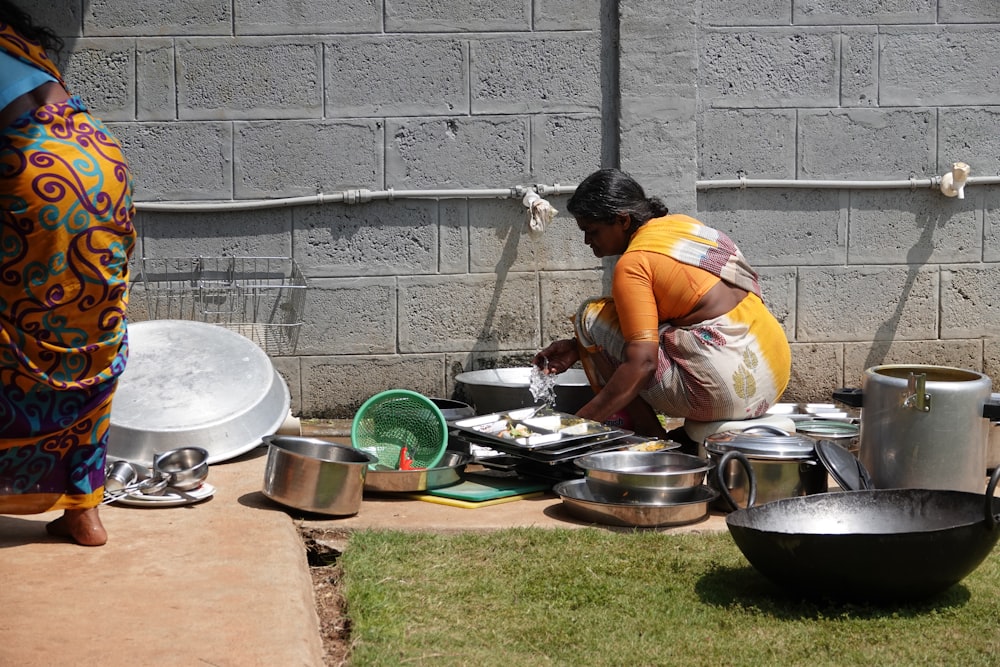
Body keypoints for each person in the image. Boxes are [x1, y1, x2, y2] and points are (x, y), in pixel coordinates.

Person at [0, 3, 136, 546]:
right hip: (98, 164)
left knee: (13, 336)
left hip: (31, 170)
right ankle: (83, 512)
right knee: (85, 328)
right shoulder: (20, 49)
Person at [533, 168, 790, 446]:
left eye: (592, 231)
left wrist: (575, 428)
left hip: (724, 392)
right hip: (773, 378)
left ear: (622, 220)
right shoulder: (683, 227)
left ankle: (653, 439)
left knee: (590, 317)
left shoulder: (634, 263)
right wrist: (578, 347)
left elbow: (642, 363)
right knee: (616, 325)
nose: (587, 242)